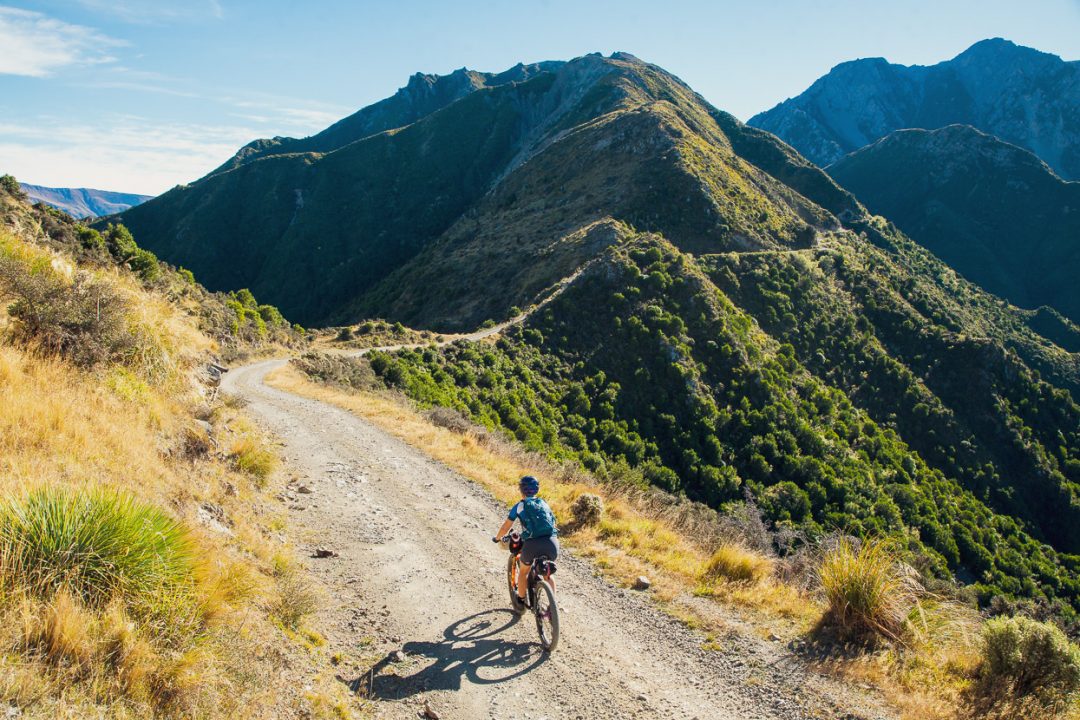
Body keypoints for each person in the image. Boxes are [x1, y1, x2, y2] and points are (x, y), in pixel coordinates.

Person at [492, 475, 559, 605]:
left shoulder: (519, 506)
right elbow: (553, 522)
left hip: (532, 543)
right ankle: (552, 607)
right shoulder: (544, 503)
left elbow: (506, 526)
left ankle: (521, 600)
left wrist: (497, 538)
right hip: (552, 543)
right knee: (548, 574)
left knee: (523, 572)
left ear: (521, 490)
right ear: (537, 490)